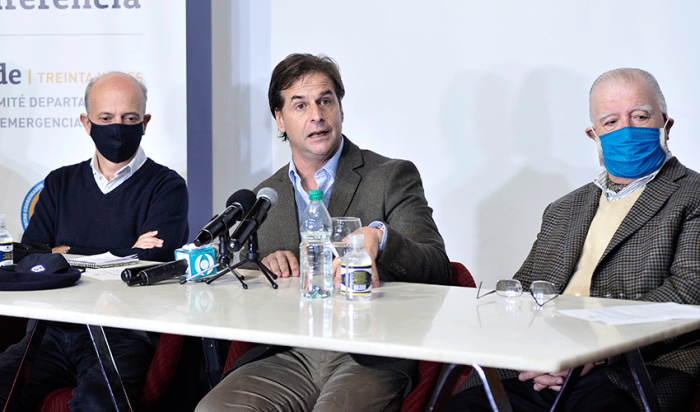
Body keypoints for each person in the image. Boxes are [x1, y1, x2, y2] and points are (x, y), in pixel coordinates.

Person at [196, 53, 451, 412]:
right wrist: (263, 266)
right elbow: (242, 289)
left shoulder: (390, 177)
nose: (316, 115)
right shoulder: (264, 198)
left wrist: (380, 238)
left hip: (369, 354)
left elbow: (439, 267)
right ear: (280, 120)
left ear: (341, 111)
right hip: (288, 354)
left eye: (325, 101)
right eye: (300, 105)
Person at [446, 68, 700, 412]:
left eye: (640, 116)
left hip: (630, 370)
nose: (625, 129)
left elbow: (688, 290)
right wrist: (530, 351)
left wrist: (589, 350)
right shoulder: (564, 208)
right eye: (610, 122)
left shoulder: (693, 195)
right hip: (534, 367)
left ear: (666, 125)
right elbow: (522, 290)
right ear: (593, 134)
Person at [0, 71, 189, 411]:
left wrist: (66, 252)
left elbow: (155, 258)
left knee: (96, 403)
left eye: (129, 118)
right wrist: (126, 248)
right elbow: (30, 257)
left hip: (124, 331)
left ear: (145, 122)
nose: (117, 128)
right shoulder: (60, 183)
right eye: (106, 118)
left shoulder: (167, 186)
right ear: (87, 123)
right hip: (52, 328)